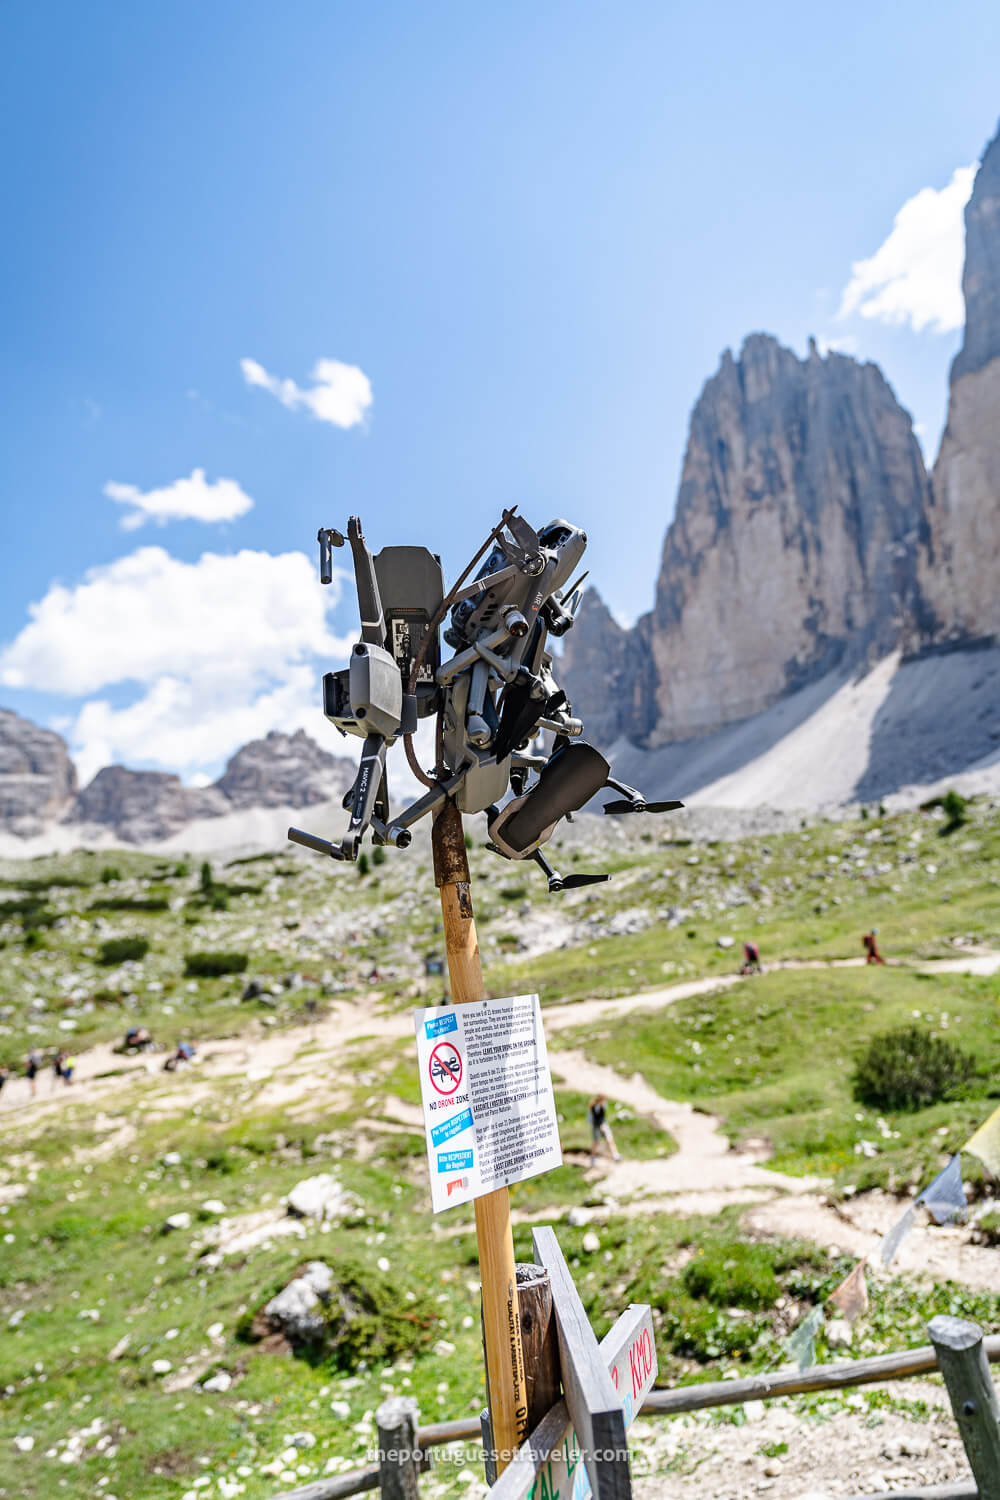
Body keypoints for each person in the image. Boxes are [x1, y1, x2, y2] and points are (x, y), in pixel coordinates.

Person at [587, 1094, 621, 1167]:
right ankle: (592, 1158)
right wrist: (601, 1126)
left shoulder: (603, 1106)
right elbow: (595, 1118)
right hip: (597, 1126)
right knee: (596, 1142)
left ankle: (615, 1156)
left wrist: (602, 1125)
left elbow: (602, 1117)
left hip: (603, 1125)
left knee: (610, 1139)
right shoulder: (594, 1107)